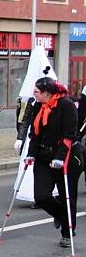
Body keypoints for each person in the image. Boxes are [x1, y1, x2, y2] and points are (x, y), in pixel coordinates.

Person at [25, 76, 83, 247]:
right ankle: (60, 214)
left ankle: (67, 231)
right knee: (41, 196)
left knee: (67, 196)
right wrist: (30, 153)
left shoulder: (66, 105)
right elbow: (35, 133)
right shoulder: (38, 106)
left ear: (47, 93)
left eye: (36, 92)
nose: (33, 94)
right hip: (44, 156)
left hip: (67, 157)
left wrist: (59, 157)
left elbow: (69, 135)